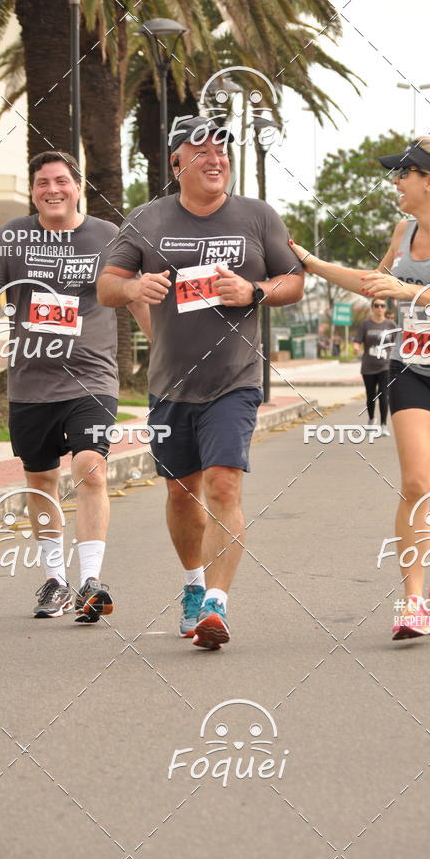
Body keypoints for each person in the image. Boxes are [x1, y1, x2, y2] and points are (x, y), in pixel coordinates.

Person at [97, 117, 304, 650]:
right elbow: (105, 287)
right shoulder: (147, 220)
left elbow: (294, 280)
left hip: (234, 380)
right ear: (176, 161)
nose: (216, 158)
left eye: (222, 149)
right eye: (202, 149)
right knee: (181, 491)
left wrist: (254, 291)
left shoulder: (257, 216)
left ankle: (217, 604)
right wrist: (136, 285)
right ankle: (193, 584)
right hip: (169, 385)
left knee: (223, 484)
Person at [291, 137, 430, 640]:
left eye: (403, 174)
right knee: (416, 484)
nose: (395, 183)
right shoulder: (402, 232)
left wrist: (410, 290)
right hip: (413, 371)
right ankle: (412, 601)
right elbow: (371, 283)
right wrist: (313, 265)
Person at [0, 151, 145, 623]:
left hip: (91, 377)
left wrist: (166, 353)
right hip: (30, 383)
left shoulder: (109, 236)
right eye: (43, 182)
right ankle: (55, 581)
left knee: (92, 469)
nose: (52, 189)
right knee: (41, 481)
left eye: (61, 181)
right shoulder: (14, 236)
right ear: (33, 191)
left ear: (78, 186)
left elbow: (134, 295)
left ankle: (90, 581)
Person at [353, 298, 397, 436]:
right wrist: (356, 347)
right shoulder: (366, 324)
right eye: (376, 305)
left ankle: (383, 425)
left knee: (384, 394)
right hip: (368, 366)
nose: (379, 308)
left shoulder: (390, 325)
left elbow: (397, 342)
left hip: (385, 365)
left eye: (382, 306)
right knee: (371, 395)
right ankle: (372, 420)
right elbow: (357, 340)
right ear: (372, 308)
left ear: (385, 308)